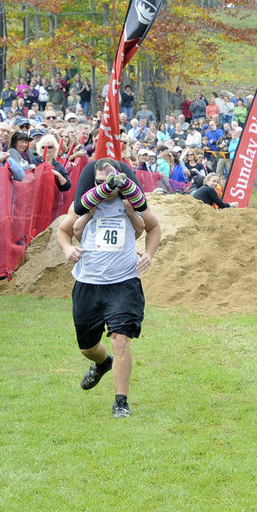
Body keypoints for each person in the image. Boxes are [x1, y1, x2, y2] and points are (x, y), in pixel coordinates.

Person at [57, 158, 161, 418]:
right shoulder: (85, 204)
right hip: (88, 283)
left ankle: (121, 402)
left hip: (124, 283)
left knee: (121, 340)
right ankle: (103, 363)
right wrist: (68, 248)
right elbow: (63, 231)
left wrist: (149, 253)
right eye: (99, 182)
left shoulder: (130, 203)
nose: (106, 186)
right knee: (87, 348)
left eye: (109, 181)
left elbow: (154, 226)